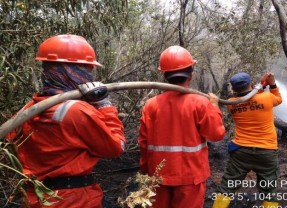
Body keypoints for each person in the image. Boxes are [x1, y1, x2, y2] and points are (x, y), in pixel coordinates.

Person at [6, 34, 126, 208]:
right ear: (71, 70)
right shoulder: (76, 111)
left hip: (36, 197)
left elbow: (15, 146)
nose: (88, 76)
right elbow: (115, 147)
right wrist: (104, 105)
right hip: (72, 199)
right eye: (86, 69)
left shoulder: (27, 110)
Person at [138, 45, 226, 208]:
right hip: (190, 178)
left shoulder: (151, 105)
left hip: (158, 177)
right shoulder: (201, 103)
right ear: (190, 74)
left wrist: (145, 171)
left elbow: (144, 143)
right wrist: (214, 106)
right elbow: (216, 134)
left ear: (165, 75)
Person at [212, 72, 282, 208]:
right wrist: (272, 84)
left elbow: (250, 100)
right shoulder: (267, 97)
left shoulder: (231, 103)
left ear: (233, 89)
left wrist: (261, 86)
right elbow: (278, 99)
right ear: (250, 84)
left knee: (227, 186)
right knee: (269, 190)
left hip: (241, 152)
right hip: (266, 152)